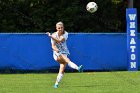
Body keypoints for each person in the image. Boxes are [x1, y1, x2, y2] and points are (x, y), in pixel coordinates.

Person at [47, 21, 83, 88]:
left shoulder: (65, 34)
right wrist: (56, 49)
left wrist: (50, 36)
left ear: (63, 27)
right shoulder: (54, 35)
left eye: (61, 27)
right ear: (56, 28)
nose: (60, 29)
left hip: (64, 52)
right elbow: (53, 46)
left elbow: (60, 40)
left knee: (62, 69)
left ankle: (56, 84)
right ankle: (78, 68)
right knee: (67, 59)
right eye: (59, 28)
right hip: (56, 54)